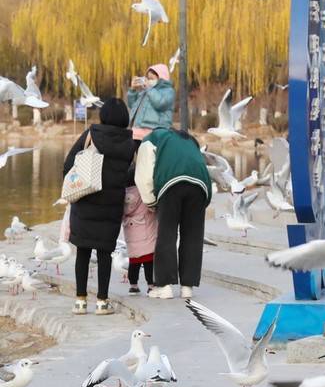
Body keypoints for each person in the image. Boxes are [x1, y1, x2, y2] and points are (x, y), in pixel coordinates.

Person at [63, 98, 135, 315]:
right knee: (105, 253)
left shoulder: (91, 135)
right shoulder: (129, 143)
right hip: (111, 206)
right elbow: (131, 174)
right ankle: (102, 302)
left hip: (86, 201)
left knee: (83, 252)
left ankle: (80, 301)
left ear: (103, 115)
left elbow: (68, 164)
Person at [135, 128, 213, 299]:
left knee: (167, 233)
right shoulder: (189, 140)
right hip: (200, 186)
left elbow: (144, 175)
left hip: (171, 183)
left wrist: (151, 202)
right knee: (193, 235)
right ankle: (187, 287)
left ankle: (164, 286)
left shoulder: (150, 139)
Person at [122, 186, 157, 294]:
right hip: (146, 233)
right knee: (148, 261)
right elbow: (151, 207)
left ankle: (133, 286)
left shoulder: (123, 194)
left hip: (131, 234)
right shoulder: (143, 192)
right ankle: (151, 285)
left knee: (134, 261)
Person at [127, 64, 175, 140]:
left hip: (154, 133)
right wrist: (132, 90)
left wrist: (149, 89)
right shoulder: (146, 91)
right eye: (148, 78)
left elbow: (160, 104)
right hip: (136, 132)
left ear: (161, 78)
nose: (149, 81)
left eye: (151, 78)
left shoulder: (168, 91)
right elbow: (132, 105)